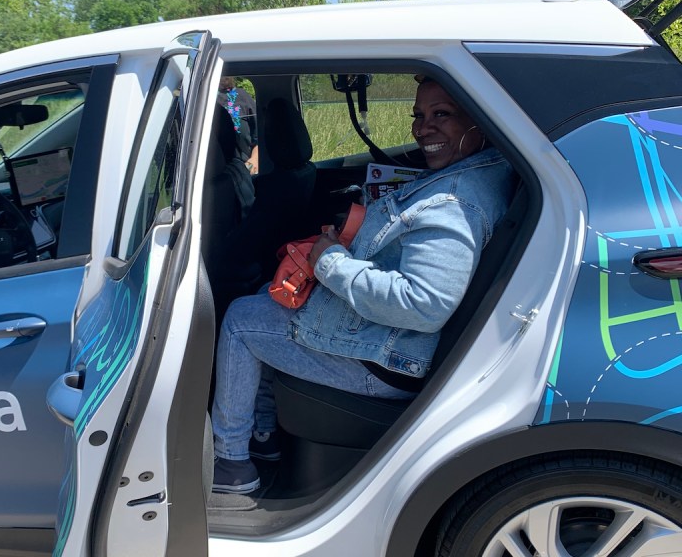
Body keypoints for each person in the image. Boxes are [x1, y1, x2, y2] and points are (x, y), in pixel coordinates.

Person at [210, 77, 518, 494]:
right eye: (418, 115)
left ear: (480, 122)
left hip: (390, 360)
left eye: (442, 114)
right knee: (270, 300)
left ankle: (231, 462)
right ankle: (263, 437)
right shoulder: (485, 171)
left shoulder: (455, 202)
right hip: (393, 343)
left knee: (241, 320)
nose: (423, 127)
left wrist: (330, 261)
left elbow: (422, 305)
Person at [217, 77, 259, 174]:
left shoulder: (243, 96)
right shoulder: (205, 100)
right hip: (219, 171)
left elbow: (260, 137)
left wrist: (254, 159)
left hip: (246, 169)